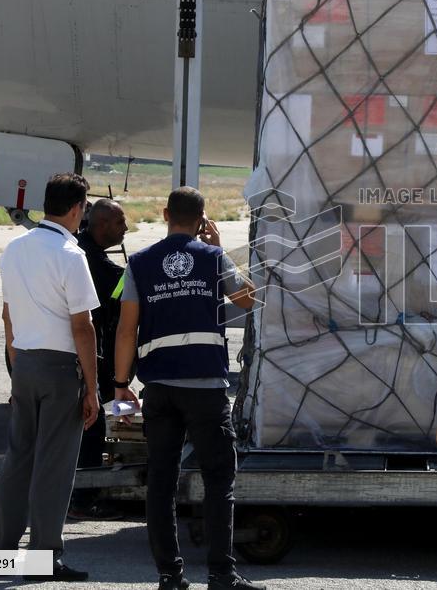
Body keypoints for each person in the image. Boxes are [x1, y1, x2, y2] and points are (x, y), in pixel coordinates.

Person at [113, 187, 263, 590]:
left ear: (165, 214)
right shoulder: (213, 259)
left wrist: (120, 383)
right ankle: (220, 574)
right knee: (218, 481)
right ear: (202, 219)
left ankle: (169, 575)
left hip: (159, 388)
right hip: (205, 389)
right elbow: (249, 300)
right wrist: (221, 250)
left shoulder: (140, 264)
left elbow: (127, 329)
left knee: (161, 484)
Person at [0, 173, 100, 581]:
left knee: (18, 460)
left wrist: (17, 364)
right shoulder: (71, 255)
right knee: (53, 466)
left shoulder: (15, 248)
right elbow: (82, 327)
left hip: (25, 363)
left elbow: (7, 315)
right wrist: (92, 387)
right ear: (75, 209)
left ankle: (0, 552)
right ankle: (43, 558)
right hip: (58, 369)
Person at [68, 198, 129, 520]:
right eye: (120, 223)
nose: (126, 229)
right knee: (92, 426)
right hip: (84, 357)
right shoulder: (97, 265)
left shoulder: (74, 249)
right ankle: (84, 499)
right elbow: (120, 298)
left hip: (58, 358)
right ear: (102, 224)